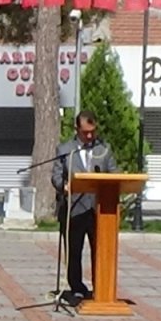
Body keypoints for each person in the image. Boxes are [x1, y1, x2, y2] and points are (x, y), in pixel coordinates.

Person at [50, 111, 119, 305]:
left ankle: (102, 287)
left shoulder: (104, 149)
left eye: (92, 132)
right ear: (77, 130)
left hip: (99, 210)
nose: (90, 136)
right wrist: (63, 186)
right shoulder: (65, 150)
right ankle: (77, 288)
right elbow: (56, 175)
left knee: (101, 250)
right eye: (85, 132)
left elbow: (114, 173)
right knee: (74, 251)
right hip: (74, 208)